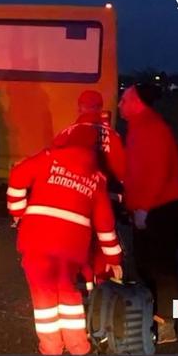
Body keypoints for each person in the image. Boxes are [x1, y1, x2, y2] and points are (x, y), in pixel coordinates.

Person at [7, 135, 123, 356]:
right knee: (68, 293)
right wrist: (114, 259)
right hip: (72, 246)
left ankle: (52, 349)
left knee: (44, 298)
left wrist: (18, 210)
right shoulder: (97, 178)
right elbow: (105, 223)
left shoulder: (48, 158)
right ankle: (78, 347)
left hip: (38, 238)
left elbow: (18, 174)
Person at [119, 83, 178, 344]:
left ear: (137, 102)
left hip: (162, 208)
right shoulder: (139, 126)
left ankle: (166, 321)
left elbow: (157, 171)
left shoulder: (151, 128)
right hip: (150, 207)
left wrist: (143, 209)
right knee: (146, 263)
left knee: (162, 268)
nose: (120, 104)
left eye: (124, 99)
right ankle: (152, 312)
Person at [53, 90, 126, 290]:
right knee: (103, 245)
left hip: (76, 200)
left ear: (79, 108)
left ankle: (80, 285)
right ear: (101, 108)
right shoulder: (114, 136)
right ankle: (102, 289)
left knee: (78, 243)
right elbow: (122, 171)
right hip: (108, 200)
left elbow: (54, 164)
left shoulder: (67, 133)